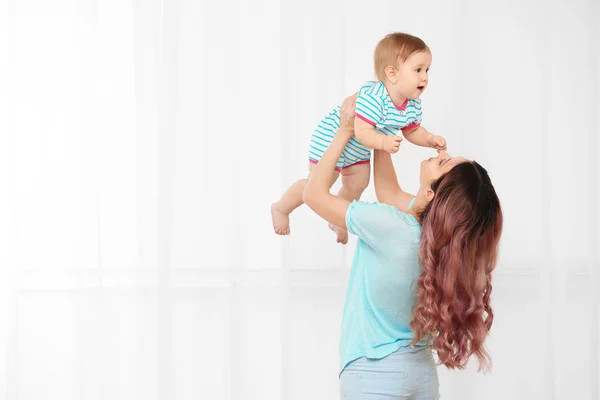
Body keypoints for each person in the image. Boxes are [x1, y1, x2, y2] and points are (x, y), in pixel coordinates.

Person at [303, 95, 503, 399]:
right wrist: (382, 134)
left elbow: (313, 194)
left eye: (445, 163)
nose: (442, 153)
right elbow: (388, 191)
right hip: (420, 375)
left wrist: (345, 131)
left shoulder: (390, 227)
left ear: (433, 194)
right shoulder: (438, 236)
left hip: (374, 375)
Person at [271, 32, 446, 245]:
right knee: (318, 182)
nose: (425, 77)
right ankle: (281, 207)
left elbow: (412, 131)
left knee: (359, 182)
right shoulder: (375, 98)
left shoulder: (412, 105)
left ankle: (338, 220)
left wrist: (428, 139)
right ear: (392, 73)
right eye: (418, 70)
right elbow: (362, 131)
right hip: (332, 137)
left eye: (427, 70)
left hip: (358, 149)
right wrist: (383, 142)